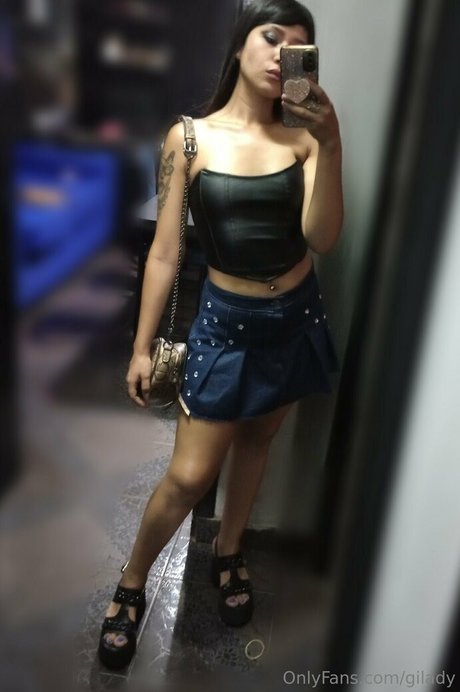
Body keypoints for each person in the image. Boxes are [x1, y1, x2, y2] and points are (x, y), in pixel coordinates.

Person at [98, 0, 343, 669]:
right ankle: (131, 582)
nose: (280, 56)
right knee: (188, 475)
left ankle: (229, 550)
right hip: (226, 325)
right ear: (240, 46)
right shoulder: (190, 139)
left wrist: (331, 143)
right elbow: (165, 254)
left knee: (258, 442)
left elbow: (322, 237)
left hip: (294, 319)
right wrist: (141, 346)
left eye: (297, 47)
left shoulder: (304, 141)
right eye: (271, 38)